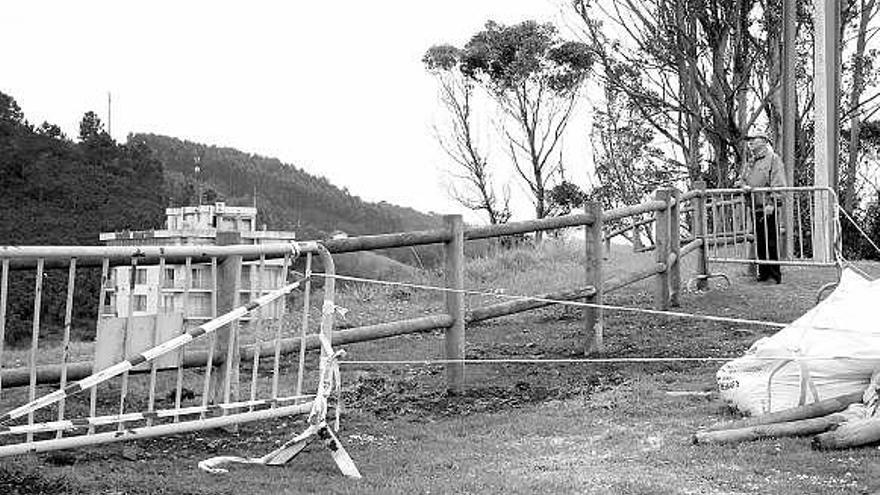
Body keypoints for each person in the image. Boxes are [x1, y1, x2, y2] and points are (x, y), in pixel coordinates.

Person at [738, 134, 787, 284]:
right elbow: (741, 179)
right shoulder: (751, 162)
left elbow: (778, 182)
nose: (751, 143)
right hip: (754, 206)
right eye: (749, 140)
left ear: (765, 142)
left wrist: (772, 202)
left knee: (771, 239)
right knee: (760, 240)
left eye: (754, 139)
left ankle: (774, 274)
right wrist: (742, 186)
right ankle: (763, 272)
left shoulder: (773, 159)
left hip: (767, 206)